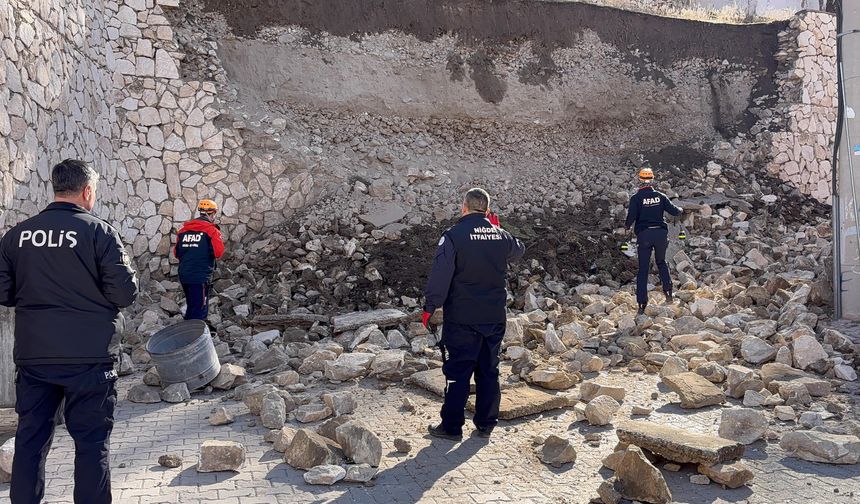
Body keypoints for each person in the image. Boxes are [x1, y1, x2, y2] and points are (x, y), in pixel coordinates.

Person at [0, 159, 139, 504]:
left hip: (35, 357)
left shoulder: (17, 235)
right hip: (90, 359)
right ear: (87, 191)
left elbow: (3, 291)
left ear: (56, 188)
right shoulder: (99, 232)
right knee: (92, 445)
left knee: (30, 442)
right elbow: (124, 294)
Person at [421, 188, 525, 440]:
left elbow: (440, 276)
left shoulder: (453, 236)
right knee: (489, 370)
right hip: (494, 317)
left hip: (463, 318)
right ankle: (486, 424)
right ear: (487, 210)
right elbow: (518, 251)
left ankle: (451, 427)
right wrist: (497, 229)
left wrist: (430, 307)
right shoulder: (500, 235)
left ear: (463, 207)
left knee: (457, 372)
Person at [625, 167, 683, 315]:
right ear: (652, 179)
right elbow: (675, 211)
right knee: (661, 262)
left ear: (639, 179)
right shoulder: (660, 196)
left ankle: (642, 304)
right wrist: (681, 210)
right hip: (660, 234)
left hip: (644, 235)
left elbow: (631, 217)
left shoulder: (636, 198)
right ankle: (668, 293)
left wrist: (626, 227)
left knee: (643, 269)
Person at [173, 200, 225, 320]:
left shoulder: (183, 231)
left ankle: (188, 328)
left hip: (184, 274)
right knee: (199, 309)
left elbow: (176, 253)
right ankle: (196, 331)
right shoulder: (212, 231)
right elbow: (218, 252)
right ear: (213, 213)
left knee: (192, 306)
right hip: (200, 276)